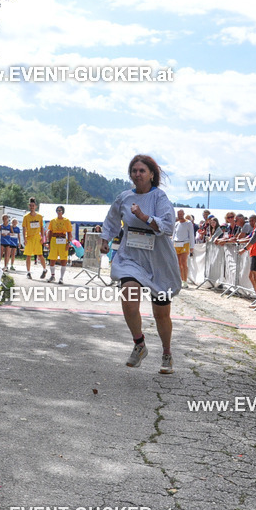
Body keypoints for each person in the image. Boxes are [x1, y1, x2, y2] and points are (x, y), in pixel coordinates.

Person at [100, 155, 181, 374]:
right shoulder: (124, 197)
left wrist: (144, 216)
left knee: (161, 314)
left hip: (158, 260)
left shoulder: (159, 197)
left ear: (152, 174)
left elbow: (168, 226)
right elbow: (111, 220)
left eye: (142, 170)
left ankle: (167, 353)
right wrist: (105, 239)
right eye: (134, 171)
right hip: (131, 256)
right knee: (128, 296)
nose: (137, 174)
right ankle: (139, 344)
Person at [21, 198, 47, 279]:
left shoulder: (39, 216)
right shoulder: (26, 217)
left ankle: (45, 269)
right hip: (29, 238)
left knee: (40, 255)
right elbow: (24, 228)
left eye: (33, 206)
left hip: (37, 238)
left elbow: (42, 228)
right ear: (29, 206)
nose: (32, 207)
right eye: (30, 206)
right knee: (28, 255)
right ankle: (28, 272)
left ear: (36, 206)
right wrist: (24, 238)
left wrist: (42, 237)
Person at [45, 206, 72, 284]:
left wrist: (68, 243)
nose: (59, 212)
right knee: (52, 259)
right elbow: (50, 232)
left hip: (63, 240)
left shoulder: (66, 221)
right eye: (57, 210)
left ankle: (61, 278)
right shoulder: (53, 221)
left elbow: (69, 232)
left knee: (63, 259)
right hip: (54, 240)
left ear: (63, 212)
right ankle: (52, 276)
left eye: (60, 210)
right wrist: (48, 242)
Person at [173, 208, 195, 289]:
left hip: (185, 243)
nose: (180, 215)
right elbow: (174, 234)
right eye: (179, 214)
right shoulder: (176, 223)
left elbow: (191, 234)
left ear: (183, 214)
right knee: (178, 263)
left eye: (181, 214)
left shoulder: (188, 223)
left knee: (184, 262)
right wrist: (172, 244)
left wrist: (192, 246)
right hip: (176, 243)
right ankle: (180, 279)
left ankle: (185, 281)